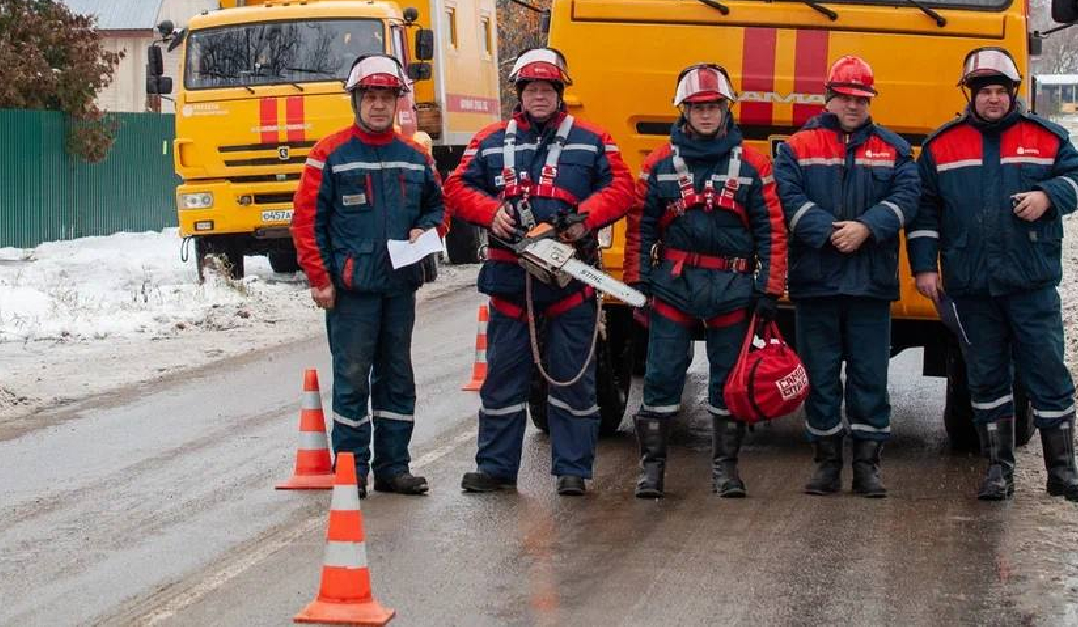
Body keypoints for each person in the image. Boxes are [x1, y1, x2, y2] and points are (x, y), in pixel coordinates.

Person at [908, 47, 1078, 503]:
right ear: (970, 96)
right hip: (971, 286)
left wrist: (1049, 197)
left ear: (1013, 94)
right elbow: (924, 211)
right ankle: (998, 469)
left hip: (1031, 283)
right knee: (986, 378)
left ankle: (1063, 472)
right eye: (984, 92)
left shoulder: (1046, 138)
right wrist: (923, 267)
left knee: (1048, 373)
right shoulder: (941, 146)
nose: (992, 100)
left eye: (1000, 91)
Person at [444, 47, 635, 497]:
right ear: (520, 93)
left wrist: (582, 218)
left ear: (560, 91)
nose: (540, 95)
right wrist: (491, 213)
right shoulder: (490, 141)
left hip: (570, 282)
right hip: (512, 283)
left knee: (574, 379)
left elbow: (623, 187)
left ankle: (572, 469)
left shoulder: (592, 139)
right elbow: (456, 187)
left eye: (547, 88)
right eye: (532, 88)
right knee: (503, 380)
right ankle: (495, 468)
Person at [622, 63, 787, 499]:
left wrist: (770, 289)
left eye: (714, 106)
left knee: (728, 383)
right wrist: (637, 283)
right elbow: (640, 227)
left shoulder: (754, 164)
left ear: (726, 108)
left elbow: (772, 228)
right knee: (660, 377)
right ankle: (652, 471)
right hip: (674, 287)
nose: (707, 114)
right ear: (684, 112)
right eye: (698, 107)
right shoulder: (658, 164)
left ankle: (726, 470)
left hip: (732, 291)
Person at [291, 53, 444, 499]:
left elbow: (440, 207)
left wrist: (429, 228)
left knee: (397, 377)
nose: (379, 106)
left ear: (399, 102)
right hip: (352, 292)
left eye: (387, 97)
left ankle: (394, 468)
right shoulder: (330, 154)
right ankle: (350, 471)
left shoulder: (415, 156)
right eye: (371, 97)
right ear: (356, 100)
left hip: (399, 288)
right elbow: (306, 223)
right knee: (353, 378)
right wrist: (320, 278)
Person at [773, 55, 921, 497]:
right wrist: (826, 231)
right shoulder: (796, 147)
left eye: (861, 99)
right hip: (816, 281)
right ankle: (826, 463)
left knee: (869, 375)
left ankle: (868, 465)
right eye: (845, 97)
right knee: (820, 375)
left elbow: (908, 197)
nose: (853, 106)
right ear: (829, 97)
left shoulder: (894, 149)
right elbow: (785, 195)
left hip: (869, 283)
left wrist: (867, 229)